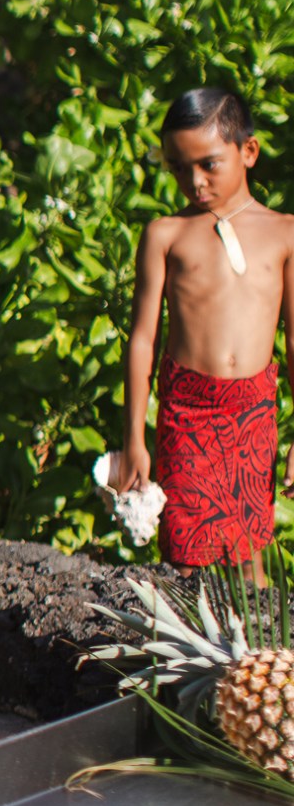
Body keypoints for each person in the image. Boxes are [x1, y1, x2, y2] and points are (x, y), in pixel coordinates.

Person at [109, 87, 294, 575]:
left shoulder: (285, 233)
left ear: (248, 151)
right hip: (188, 413)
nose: (194, 181)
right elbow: (143, 340)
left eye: (209, 165)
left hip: (252, 414)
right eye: (178, 168)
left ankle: (253, 630)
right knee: (184, 556)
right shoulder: (165, 234)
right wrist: (134, 438)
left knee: (249, 557)